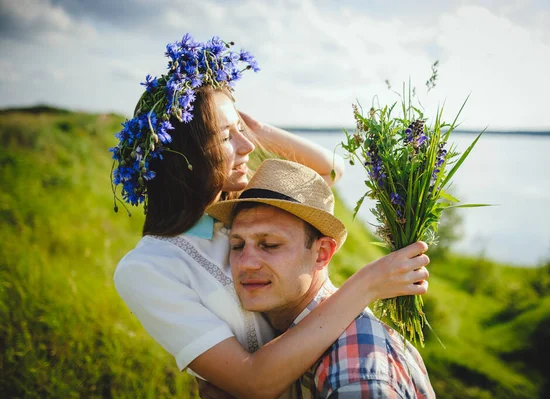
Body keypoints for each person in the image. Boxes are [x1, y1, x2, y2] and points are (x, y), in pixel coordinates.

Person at [112, 34, 431, 399]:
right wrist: (364, 287)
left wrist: (255, 129)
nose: (248, 146)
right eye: (226, 137)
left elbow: (326, 173)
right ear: (186, 154)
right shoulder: (149, 267)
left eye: (241, 132)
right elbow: (253, 382)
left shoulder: (239, 210)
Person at [207, 159, 435, 398]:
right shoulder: (261, 332)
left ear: (322, 253)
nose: (245, 262)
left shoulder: (354, 368)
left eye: (270, 245)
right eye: (237, 245)